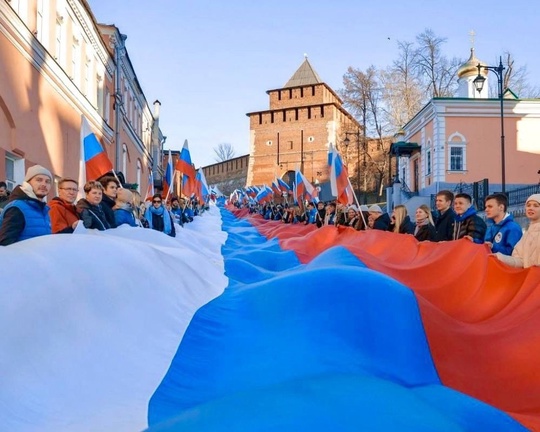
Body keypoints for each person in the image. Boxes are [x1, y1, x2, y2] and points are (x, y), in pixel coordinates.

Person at [0, 165, 52, 246]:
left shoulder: (44, 210)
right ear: (28, 183)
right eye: (39, 180)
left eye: (47, 181)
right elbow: (5, 246)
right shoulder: (17, 208)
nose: (44, 184)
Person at [495, 194, 540, 268]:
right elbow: (519, 260)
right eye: (528, 205)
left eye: (536, 206)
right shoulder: (527, 234)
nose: (530, 208)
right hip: (530, 278)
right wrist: (499, 257)